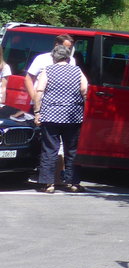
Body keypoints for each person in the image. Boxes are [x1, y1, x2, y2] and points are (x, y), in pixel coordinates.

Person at [32, 43, 88, 194]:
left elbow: (39, 91)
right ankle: (73, 182)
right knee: (72, 149)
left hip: (51, 115)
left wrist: (37, 112)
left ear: (53, 57)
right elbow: (84, 90)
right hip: (73, 115)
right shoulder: (77, 70)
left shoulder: (48, 70)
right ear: (68, 57)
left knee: (49, 149)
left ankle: (48, 183)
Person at [25, 33, 76, 105]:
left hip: (61, 104)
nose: (68, 51)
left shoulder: (72, 60)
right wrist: (34, 98)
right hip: (42, 102)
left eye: (70, 48)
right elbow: (28, 79)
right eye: (65, 48)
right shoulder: (42, 58)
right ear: (57, 45)